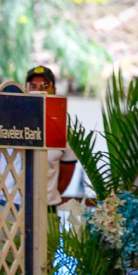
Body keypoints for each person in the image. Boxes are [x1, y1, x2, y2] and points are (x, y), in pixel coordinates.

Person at [26, 65, 77, 210]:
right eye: (33, 86)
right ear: (25, 90)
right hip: (10, 207)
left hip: (47, 208)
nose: (38, 90)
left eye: (45, 86)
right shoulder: (9, 127)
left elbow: (66, 175)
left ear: (53, 91)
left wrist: (48, 197)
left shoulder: (64, 131)